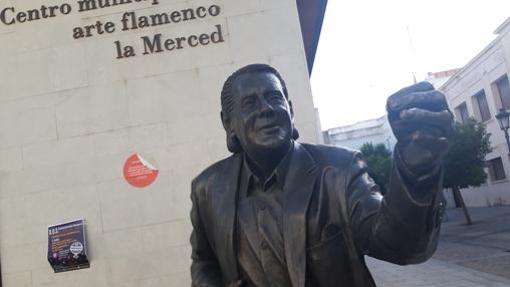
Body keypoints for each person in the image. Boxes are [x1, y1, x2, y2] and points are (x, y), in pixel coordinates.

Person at [190, 64, 453, 287]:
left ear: (290, 111)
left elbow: (400, 245)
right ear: (228, 123)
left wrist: (417, 171)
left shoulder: (340, 169)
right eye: (249, 103)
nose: (266, 109)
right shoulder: (208, 188)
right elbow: (204, 261)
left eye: (274, 97)